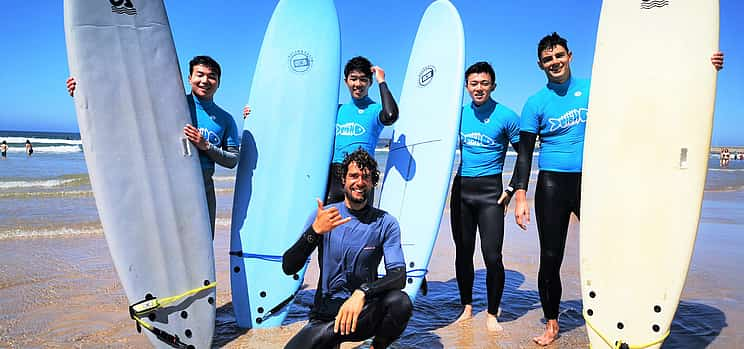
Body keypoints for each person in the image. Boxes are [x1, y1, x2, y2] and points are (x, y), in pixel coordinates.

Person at [510, 32, 725, 346]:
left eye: (558, 56)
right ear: (540, 65)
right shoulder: (534, 103)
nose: (554, 62)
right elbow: (525, 154)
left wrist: (701, 68)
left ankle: (621, 314)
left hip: (597, 183)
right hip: (552, 185)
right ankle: (552, 323)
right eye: (547, 59)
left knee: (613, 251)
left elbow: (647, 92)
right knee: (551, 256)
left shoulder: (595, 90)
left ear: (569, 56)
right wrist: (520, 196)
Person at [66, 55, 239, 238]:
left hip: (204, 193)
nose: (205, 80)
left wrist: (206, 146)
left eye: (212, 76)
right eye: (200, 74)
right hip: (166, 188)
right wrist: (83, 93)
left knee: (202, 245)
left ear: (219, 82)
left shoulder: (225, 119)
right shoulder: (171, 103)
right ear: (189, 78)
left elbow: (232, 160)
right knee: (162, 243)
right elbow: (123, 109)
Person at [282, 148, 412, 349]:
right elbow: (288, 266)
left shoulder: (385, 223)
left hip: (363, 312)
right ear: (343, 180)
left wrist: (363, 292)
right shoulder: (325, 216)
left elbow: (399, 275)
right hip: (326, 316)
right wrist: (315, 231)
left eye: (366, 177)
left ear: (372, 183)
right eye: (354, 176)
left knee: (400, 303)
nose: (359, 182)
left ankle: (376, 346)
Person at [450, 61, 520, 332]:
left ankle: (492, 313)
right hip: (462, 191)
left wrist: (512, 189)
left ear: (493, 85)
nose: (478, 88)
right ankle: (466, 306)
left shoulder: (506, 116)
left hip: (491, 193)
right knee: (463, 253)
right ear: (467, 86)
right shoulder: (457, 115)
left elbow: (523, 154)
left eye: (484, 83)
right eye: (473, 83)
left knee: (492, 256)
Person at [325, 56, 399, 204]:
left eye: (363, 79)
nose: (358, 84)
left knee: (363, 226)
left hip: (362, 176)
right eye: (353, 78)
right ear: (346, 80)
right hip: (334, 176)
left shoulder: (375, 110)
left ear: (370, 82)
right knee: (330, 224)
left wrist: (381, 81)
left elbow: (391, 115)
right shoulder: (336, 110)